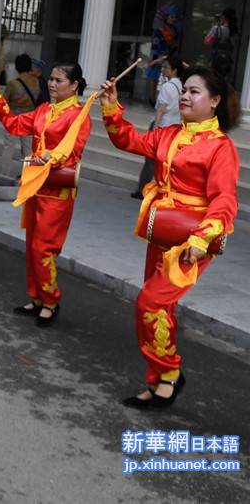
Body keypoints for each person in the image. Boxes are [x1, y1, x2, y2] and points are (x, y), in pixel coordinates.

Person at [99, 64, 240, 410]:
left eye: (194, 91)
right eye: (184, 90)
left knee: (150, 303)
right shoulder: (170, 133)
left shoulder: (221, 147)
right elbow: (128, 140)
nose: (185, 96)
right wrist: (111, 106)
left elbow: (224, 200)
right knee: (161, 308)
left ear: (215, 101)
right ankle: (158, 380)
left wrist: (200, 241)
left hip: (192, 241)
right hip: (163, 229)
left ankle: (171, 373)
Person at [0, 62, 94, 325]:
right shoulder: (43, 110)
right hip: (36, 185)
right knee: (31, 246)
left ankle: (50, 301)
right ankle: (36, 297)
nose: (52, 84)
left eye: (59, 80)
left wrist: (51, 156)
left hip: (57, 192)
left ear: (74, 85)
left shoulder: (79, 116)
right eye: (51, 79)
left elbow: (74, 150)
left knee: (43, 248)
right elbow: (14, 124)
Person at [131, 55, 185, 198]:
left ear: (174, 70)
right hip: (174, 127)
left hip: (162, 126)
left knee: (150, 160)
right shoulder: (181, 86)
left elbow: (161, 109)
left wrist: (154, 130)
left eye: (166, 67)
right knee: (166, 161)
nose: (163, 69)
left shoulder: (167, 87)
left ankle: (142, 190)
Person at [0, 54, 40, 176]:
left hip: (14, 118)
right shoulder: (36, 82)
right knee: (28, 149)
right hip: (29, 118)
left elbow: (3, 102)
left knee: (8, 147)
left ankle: (3, 173)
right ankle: (27, 174)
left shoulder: (13, 84)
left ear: (17, 67)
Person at [145, 5, 179, 105]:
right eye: (172, 17)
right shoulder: (160, 30)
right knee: (154, 78)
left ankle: (160, 100)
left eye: (175, 17)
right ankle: (153, 98)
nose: (173, 19)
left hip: (169, 57)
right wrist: (152, 57)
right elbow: (155, 43)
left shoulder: (175, 30)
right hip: (159, 55)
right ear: (167, 17)